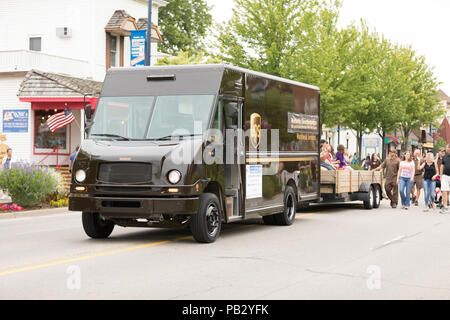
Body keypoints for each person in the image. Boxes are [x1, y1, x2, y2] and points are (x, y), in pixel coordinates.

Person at [439, 144, 450, 214]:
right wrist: (441, 176)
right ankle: (445, 206)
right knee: (444, 190)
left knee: (447, 191)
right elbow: (442, 166)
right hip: (445, 176)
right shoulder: (445, 156)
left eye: (447, 148)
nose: (446, 149)